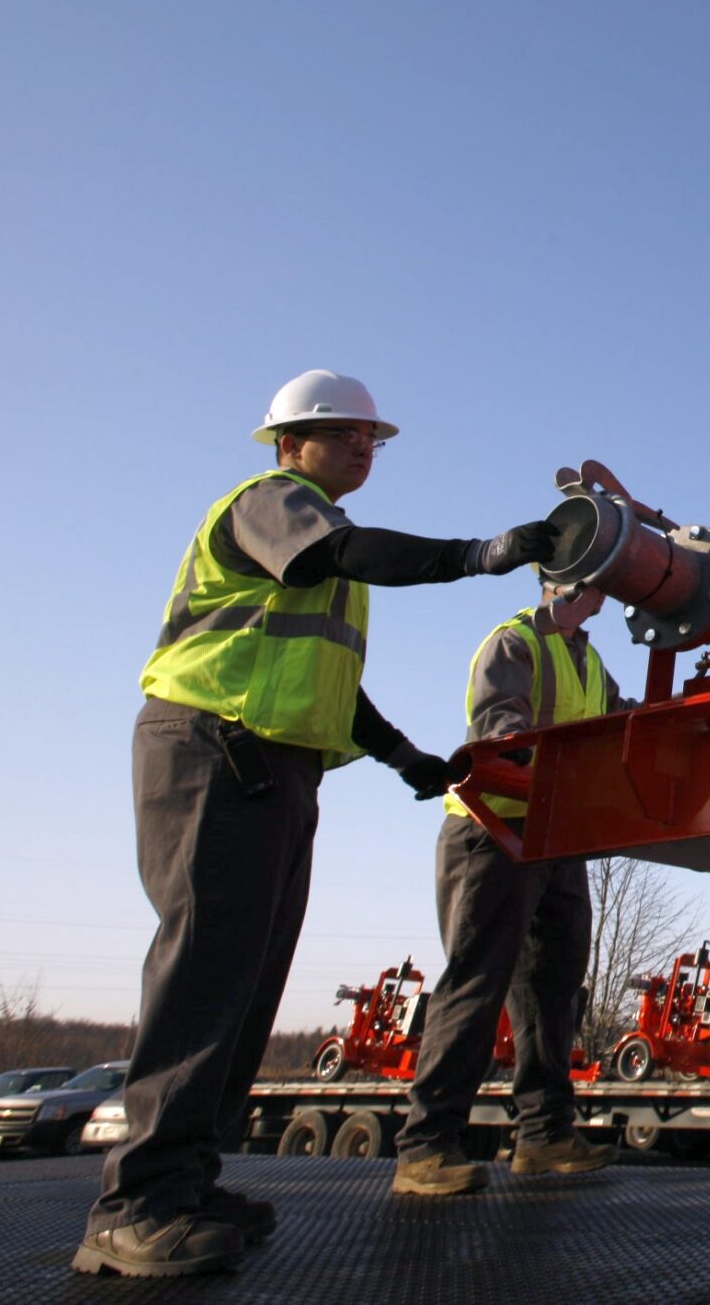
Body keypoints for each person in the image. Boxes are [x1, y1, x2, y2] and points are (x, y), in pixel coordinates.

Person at [76, 371, 562, 1279]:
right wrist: (478, 553)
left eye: (371, 439)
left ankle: (188, 1180)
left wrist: (408, 756)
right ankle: (135, 1204)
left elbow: (335, 684)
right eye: (343, 435)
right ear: (288, 442)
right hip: (212, 750)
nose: (361, 450)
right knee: (206, 967)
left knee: (250, 972)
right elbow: (346, 555)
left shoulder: (326, 553)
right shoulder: (274, 505)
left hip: (272, 769)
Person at [392, 574, 629, 1195]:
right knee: (478, 979)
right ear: (549, 582)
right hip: (493, 831)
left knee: (554, 986)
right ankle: (426, 1148)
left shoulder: (591, 662)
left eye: (598, 581)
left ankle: (544, 1135)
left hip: (553, 837)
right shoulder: (514, 643)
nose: (590, 590)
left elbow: (622, 724)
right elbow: (501, 730)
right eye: (579, 577)